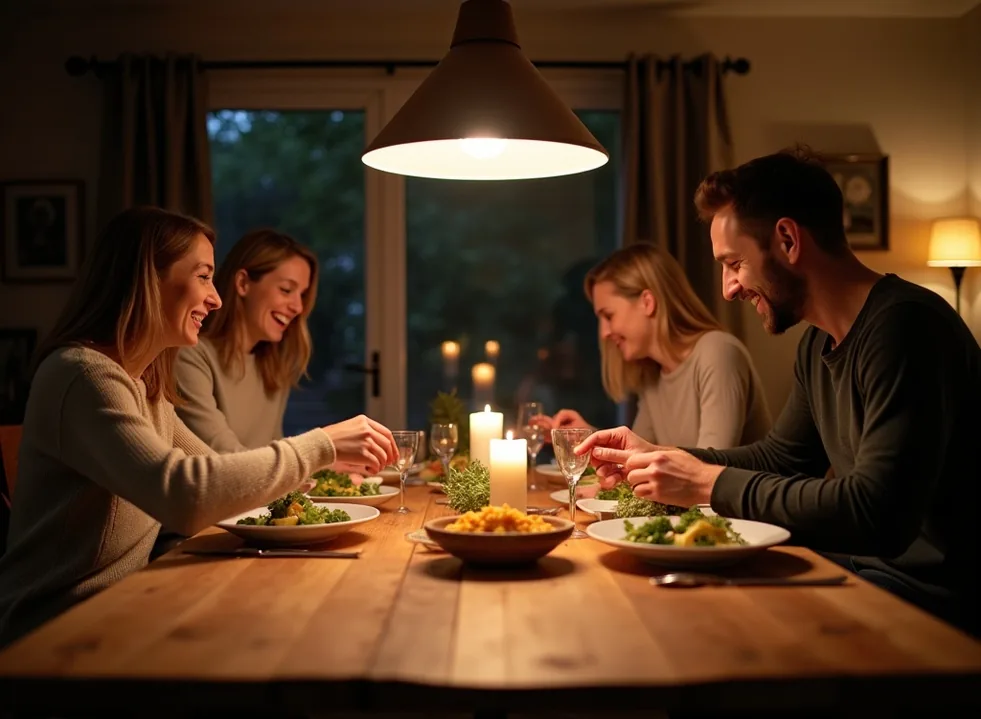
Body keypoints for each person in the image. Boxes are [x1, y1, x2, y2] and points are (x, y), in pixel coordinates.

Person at [578, 148, 981, 635]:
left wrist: (705, 483)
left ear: (788, 239)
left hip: (934, 604)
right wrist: (662, 455)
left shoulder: (906, 327)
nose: (728, 289)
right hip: (865, 574)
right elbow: (782, 458)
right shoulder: (817, 344)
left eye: (735, 263)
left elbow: (877, 513)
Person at [0, 207, 397, 648]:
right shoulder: (81, 376)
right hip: (55, 633)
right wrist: (321, 445)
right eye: (204, 276)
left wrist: (318, 462)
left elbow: (219, 470)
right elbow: (184, 496)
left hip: (128, 605)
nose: (217, 297)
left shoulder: (141, 386)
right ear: (149, 279)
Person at [540, 243, 770, 449]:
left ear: (647, 302)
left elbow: (710, 468)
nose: (604, 333)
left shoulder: (718, 352)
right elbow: (636, 459)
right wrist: (588, 438)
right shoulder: (653, 375)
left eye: (608, 316)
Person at [175, 229, 317, 453]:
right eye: (286, 290)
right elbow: (225, 459)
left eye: (302, 294)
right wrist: (318, 450)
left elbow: (273, 455)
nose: (298, 307)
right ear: (243, 283)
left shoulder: (273, 366)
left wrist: (328, 464)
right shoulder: (189, 355)